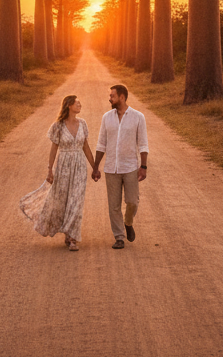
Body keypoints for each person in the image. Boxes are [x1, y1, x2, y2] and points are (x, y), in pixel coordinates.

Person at [19, 94, 97, 250]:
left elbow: (86, 147)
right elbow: (53, 149)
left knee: (76, 201)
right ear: (69, 105)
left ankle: (73, 237)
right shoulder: (58, 126)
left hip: (79, 166)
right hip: (63, 167)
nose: (80, 105)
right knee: (62, 200)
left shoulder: (83, 124)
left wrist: (94, 167)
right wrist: (50, 170)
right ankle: (67, 232)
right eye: (77, 103)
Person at [91, 83, 148, 249]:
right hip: (111, 168)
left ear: (122, 97)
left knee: (132, 202)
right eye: (110, 96)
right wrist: (96, 167)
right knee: (113, 206)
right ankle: (119, 237)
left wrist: (143, 166)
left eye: (112, 96)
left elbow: (143, 144)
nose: (110, 98)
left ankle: (128, 222)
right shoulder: (106, 118)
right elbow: (101, 144)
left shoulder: (138, 117)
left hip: (130, 167)